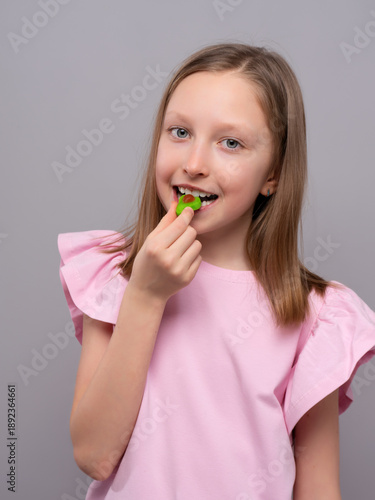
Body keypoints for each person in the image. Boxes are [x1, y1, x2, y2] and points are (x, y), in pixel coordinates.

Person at [57, 42, 375, 499]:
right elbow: (94, 454)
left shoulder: (316, 317)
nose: (194, 164)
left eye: (231, 143)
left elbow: (319, 488)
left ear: (274, 175)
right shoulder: (116, 275)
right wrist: (145, 297)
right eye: (180, 132)